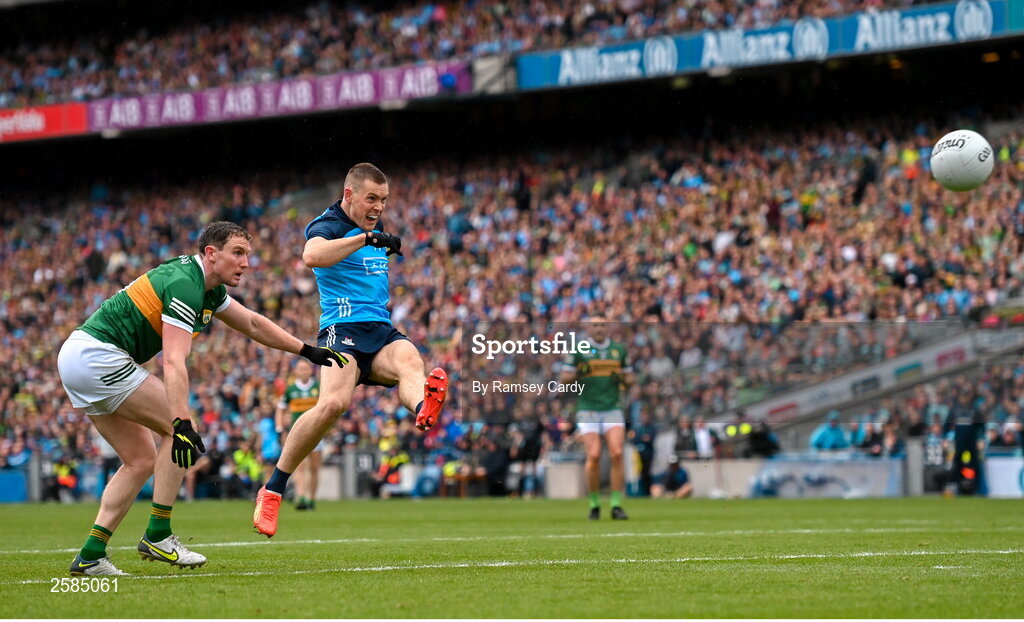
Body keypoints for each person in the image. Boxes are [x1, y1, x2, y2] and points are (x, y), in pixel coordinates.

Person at [57, 221, 346, 576]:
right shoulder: (186, 286)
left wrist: (305, 350)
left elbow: (252, 323)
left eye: (248, 255)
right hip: (99, 357)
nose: (245, 263)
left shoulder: (205, 286)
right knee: (178, 436)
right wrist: (180, 422)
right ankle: (158, 534)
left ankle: (90, 555)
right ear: (211, 254)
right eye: (237, 253)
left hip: (79, 357)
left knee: (140, 460)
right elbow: (174, 361)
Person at [253, 163, 448, 537]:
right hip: (340, 330)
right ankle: (273, 488)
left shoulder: (372, 230)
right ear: (349, 195)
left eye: (384, 200)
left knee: (410, 359)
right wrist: (365, 238)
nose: (378, 207)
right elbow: (312, 257)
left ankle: (424, 407)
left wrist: (375, 238)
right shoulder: (328, 225)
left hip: (379, 329)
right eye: (371, 198)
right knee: (333, 404)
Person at [560, 317, 634, 520]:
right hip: (588, 409)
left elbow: (630, 380)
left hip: (612, 408)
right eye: (595, 325)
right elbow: (564, 379)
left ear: (607, 327)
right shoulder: (578, 349)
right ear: (589, 328)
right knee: (593, 455)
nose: (599, 328)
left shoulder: (619, 350)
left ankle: (616, 505)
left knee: (617, 453)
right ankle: (594, 504)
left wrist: (621, 379)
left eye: (602, 325)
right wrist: (579, 373)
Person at [275, 359, 323, 510]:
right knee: (299, 466)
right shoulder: (290, 389)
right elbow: (280, 409)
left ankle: (312, 498)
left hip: (317, 431)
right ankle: (301, 497)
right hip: (298, 432)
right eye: (300, 369)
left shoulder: (318, 387)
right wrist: (279, 428)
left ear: (311, 371)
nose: (303, 371)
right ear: (296, 371)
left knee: (314, 467)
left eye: (306, 369)